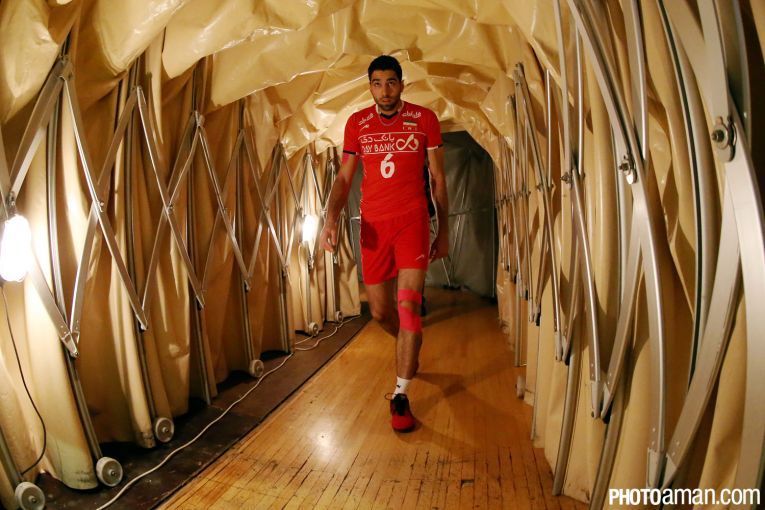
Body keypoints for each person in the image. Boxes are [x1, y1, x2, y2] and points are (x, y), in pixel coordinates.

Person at [319, 55, 449, 432]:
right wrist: (330, 219)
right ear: (370, 87)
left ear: (402, 84)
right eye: (377, 83)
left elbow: (438, 179)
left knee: (408, 309)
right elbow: (344, 178)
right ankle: (409, 343)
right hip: (373, 228)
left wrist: (444, 231)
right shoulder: (357, 123)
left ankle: (401, 393)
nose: (385, 90)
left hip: (412, 223)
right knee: (380, 313)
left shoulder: (425, 119)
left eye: (391, 82)